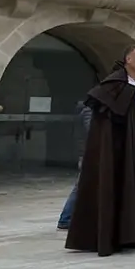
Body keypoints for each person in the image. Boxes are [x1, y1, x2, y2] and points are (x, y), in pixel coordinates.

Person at [64, 46, 135, 257]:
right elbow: (102, 122)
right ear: (128, 59)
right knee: (114, 185)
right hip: (117, 148)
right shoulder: (112, 86)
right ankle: (111, 236)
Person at [57, 98, 94, 230]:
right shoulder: (88, 111)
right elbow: (93, 132)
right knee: (81, 186)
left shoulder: (86, 111)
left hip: (88, 153)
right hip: (88, 155)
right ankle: (66, 218)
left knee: (84, 186)